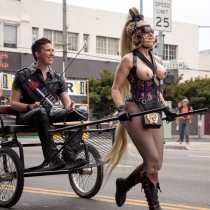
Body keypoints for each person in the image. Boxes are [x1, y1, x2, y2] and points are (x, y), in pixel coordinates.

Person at [105, 8, 175, 210]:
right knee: (151, 160)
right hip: (135, 109)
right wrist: (120, 109)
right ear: (135, 36)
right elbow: (116, 89)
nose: (151, 34)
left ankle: (124, 184)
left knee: (156, 163)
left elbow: (156, 88)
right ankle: (154, 206)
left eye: (151, 30)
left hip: (154, 110)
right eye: (145, 31)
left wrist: (165, 107)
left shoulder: (157, 60)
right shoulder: (129, 59)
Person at [11, 38, 88, 170]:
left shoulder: (57, 77)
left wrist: (70, 107)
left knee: (81, 113)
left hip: (48, 114)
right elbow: (13, 103)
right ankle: (52, 159)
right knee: (40, 112)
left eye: (53, 50)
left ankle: (68, 156)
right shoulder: (23, 75)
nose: (52, 53)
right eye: (48, 50)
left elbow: (66, 102)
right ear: (37, 54)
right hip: (26, 116)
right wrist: (30, 106)